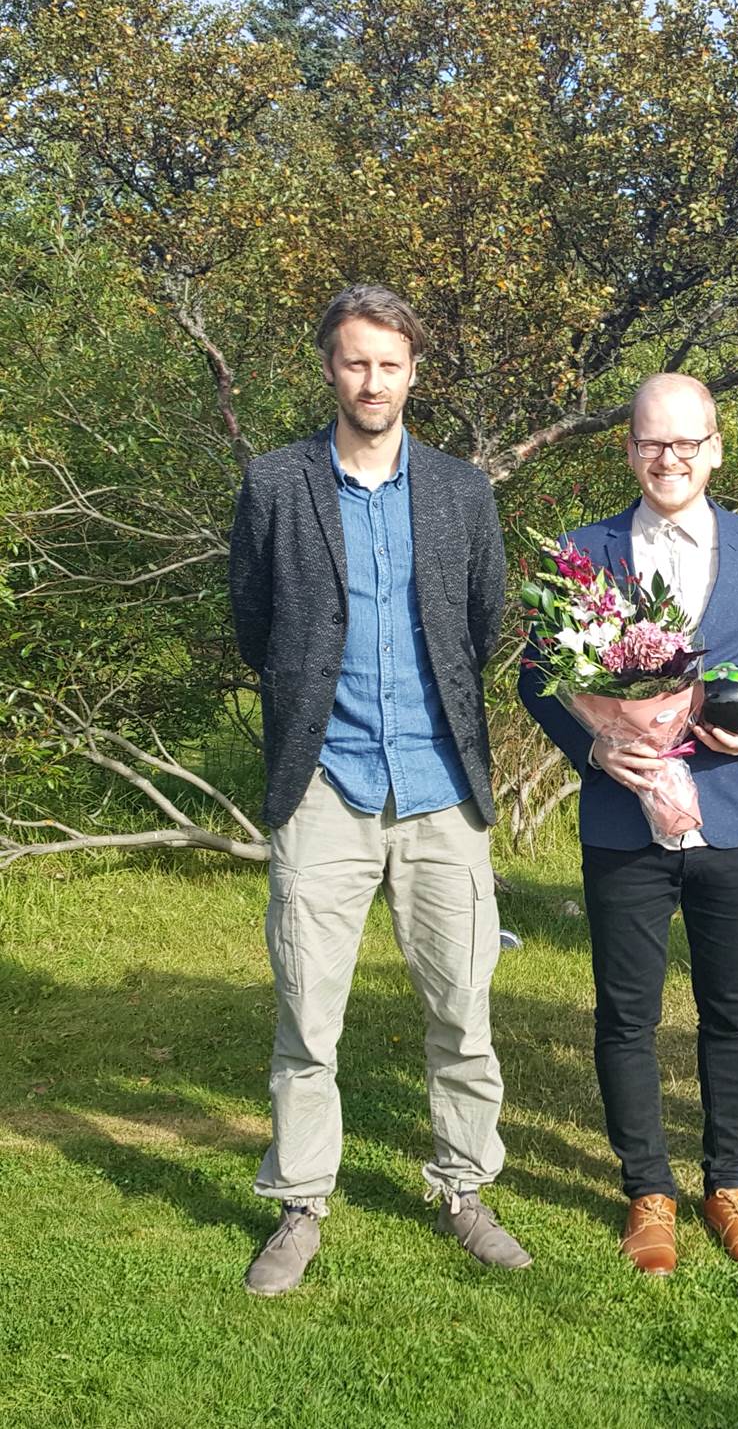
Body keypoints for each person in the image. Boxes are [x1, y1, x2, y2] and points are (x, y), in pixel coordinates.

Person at [228, 284, 524, 1296]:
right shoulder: (275, 484)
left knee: (463, 1009)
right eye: (355, 362)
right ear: (330, 368)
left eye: (389, 364)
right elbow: (255, 623)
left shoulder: (460, 490)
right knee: (308, 1018)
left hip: (442, 787)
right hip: (325, 784)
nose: (372, 380)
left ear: (413, 373)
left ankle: (463, 1190)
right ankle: (302, 1201)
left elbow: (482, 623)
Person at [517, 373, 738, 1276]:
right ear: (629, 449)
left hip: (732, 817)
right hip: (621, 820)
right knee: (626, 1015)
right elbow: (536, 677)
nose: (668, 459)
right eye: (650, 442)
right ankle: (649, 1190)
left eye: (686, 443)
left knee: (732, 1011)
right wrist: (592, 752)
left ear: (715, 448)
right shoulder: (580, 550)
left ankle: (730, 1182)